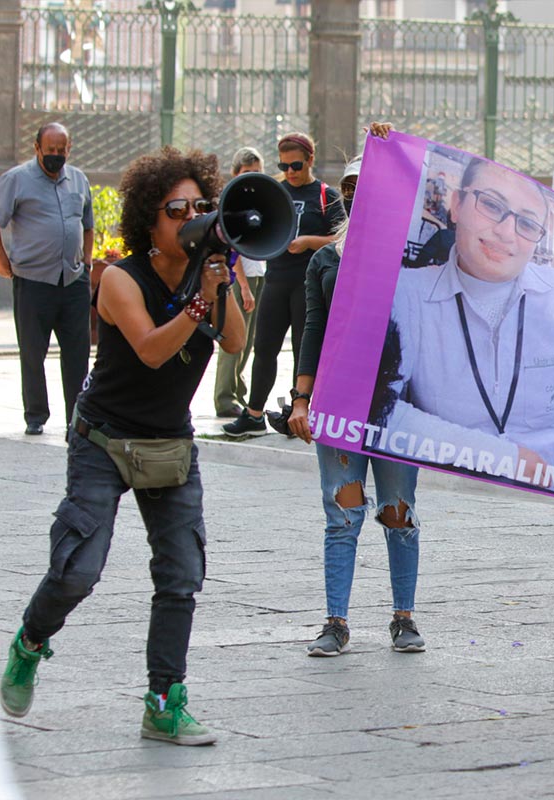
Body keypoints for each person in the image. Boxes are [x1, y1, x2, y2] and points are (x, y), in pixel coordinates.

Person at [0, 147, 246, 746]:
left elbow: (236, 340)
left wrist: (222, 280)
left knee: (181, 573)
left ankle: (164, 702)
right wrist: (196, 301)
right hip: (103, 440)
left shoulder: (211, 272)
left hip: (169, 444)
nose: (192, 215)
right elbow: (153, 350)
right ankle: (31, 640)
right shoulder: (117, 279)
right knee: (79, 568)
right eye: (176, 208)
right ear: (149, 221)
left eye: (202, 206)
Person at [366, 156, 554, 484]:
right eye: (490, 204)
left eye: (527, 224)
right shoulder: (406, 294)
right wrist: (506, 458)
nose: (505, 233)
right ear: (456, 205)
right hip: (448, 490)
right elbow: (377, 406)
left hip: (550, 496)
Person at [288, 138, 426, 657]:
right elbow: (313, 328)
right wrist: (301, 399)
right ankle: (335, 622)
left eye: (366, 185)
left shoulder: (413, 258)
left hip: (395, 408)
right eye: (348, 187)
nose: (354, 194)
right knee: (342, 514)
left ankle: (404, 618)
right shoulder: (326, 258)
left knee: (398, 512)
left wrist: (395, 151)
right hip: (339, 405)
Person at [223, 132, 344, 436]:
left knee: (304, 349)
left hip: (307, 283)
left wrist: (308, 242)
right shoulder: (274, 192)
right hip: (276, 278)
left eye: (297, 165)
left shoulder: (325, 196)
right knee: (264, 348)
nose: (290, 171)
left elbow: (343, 238)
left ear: (310, 161)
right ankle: (253, 413)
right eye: (284, 165)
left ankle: (295, 412)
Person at [0, 122, 93, 436]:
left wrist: (86, 262)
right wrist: (3, 263)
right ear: (37, 149)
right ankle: (35, 414)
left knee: (77, 352)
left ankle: (78, 417)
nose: (56, 156)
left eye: (62, 151)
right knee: (33, 352)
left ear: (69, 149)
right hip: (33, 281)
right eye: (50, 151)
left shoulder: (79, 180)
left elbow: (87, 224)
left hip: (73, 281)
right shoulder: (16, 180)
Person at [213, 146, 265, 418]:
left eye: (257, 172)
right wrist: (243, 286)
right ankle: (224, 398)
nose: (252, 177)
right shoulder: (232, 201)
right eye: (247, 173)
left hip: (258, 274)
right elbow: (232, 250)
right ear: (235, 173)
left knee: (248, 340)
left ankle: (237, 391)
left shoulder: (259, 199)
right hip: (238, 278)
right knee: (233, 338)